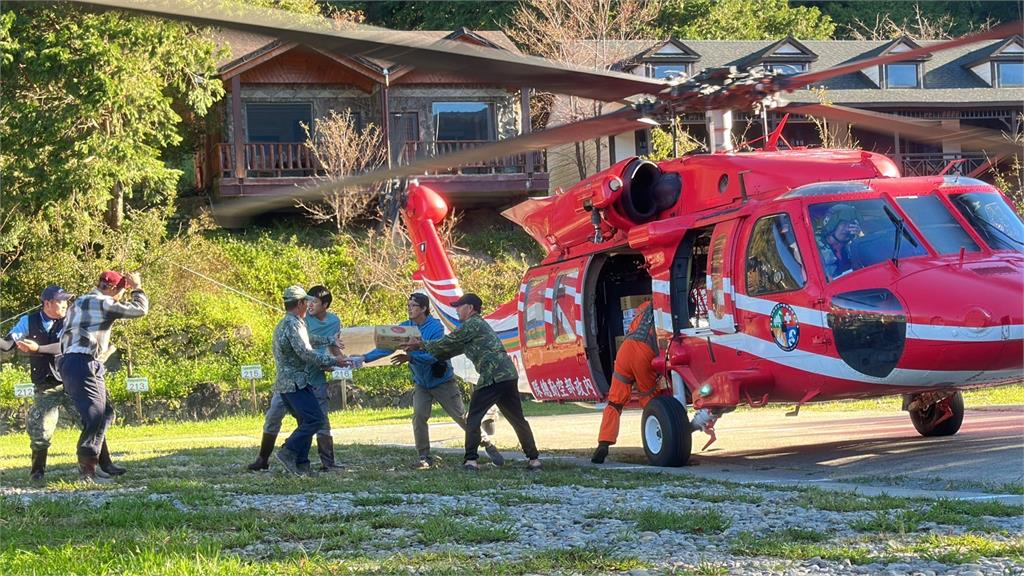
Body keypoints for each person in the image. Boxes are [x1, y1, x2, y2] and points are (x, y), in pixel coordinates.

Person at [365, 292, 505, 469]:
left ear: (423, 308)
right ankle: (424, 456)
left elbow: (434, 355)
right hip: (421, 383)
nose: (409, 308)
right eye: (408, 305)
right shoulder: (405, 327)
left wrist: (411, 358)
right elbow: (386, 347)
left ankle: (486, 443)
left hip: (442, 381)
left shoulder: (435, 327)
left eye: (413, 305)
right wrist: (363, 358)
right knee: (419, 417)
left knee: (462, 418)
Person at [405, 293, 540, 473]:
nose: (456, 310)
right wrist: (424, 354)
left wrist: (420, 344)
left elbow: (447, 342)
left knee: (473, 418)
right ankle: (534, 460)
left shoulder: (472, 324)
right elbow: (450, 350)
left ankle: (471, 461)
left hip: (492, 376)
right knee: (517, 419)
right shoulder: (475, 328)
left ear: (470, 308)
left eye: (459, 306)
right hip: (507, 375)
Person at [60, 271, 148, 482]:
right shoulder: (102, 302)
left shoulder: (79, 301)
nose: (120, 295)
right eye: (120, 291)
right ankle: (87, 470)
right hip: (84, 362)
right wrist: (137, 288)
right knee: (96, 415)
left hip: (71, 362)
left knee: (104, 411)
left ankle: (104, 463)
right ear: (110, 288)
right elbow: (140, 310)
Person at [247, 285, 345, 472]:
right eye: (306, 302)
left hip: (290, 382)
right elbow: (305, 352)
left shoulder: (288, 323)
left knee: (306, 420)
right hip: (295, 383)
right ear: (300, 303)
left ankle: (301, 464)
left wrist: (329, 340)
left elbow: (307, 339)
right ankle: (288, 451)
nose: (308, 305)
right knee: (314, 419)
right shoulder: (293, 324)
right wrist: (334, 360)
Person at [0, 285, 78, 481]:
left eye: (66, 301)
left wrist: (37, 348)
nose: (66, 304)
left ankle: (100, 465)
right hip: (45, 385)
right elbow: (7, 344)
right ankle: (37, 474)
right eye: (62, 301)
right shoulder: (27, 321)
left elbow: (65, 346)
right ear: (48, 303)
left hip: (72, 381)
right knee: (40, 431)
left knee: (90, 422)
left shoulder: (71, 319)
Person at [591, 301, 661, 465]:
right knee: (650, 400)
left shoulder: (643, 306)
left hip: (625, 351)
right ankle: (659, 439)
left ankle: (604, 443)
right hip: (644, 353)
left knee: (615, 402)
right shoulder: (664, 307)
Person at [817, 203, 860, 280]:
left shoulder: (853, 245)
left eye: (850, 224)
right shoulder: (814, 249)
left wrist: (859, 238)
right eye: (844, 224)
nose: (847, 229)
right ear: (832, 224)